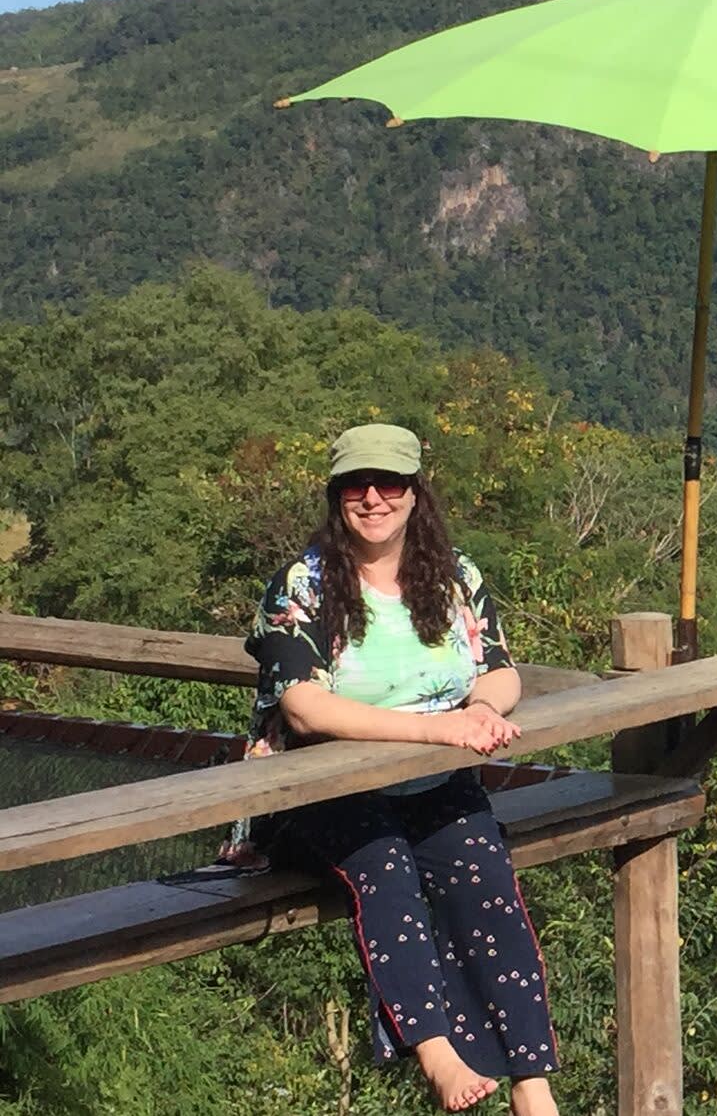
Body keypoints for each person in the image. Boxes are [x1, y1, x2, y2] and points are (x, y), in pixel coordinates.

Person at [245, 423, 560, 1115]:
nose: (373, 498)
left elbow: (501, 670)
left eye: (389, 483)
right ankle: (437, 1052)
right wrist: (433, 728)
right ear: (336, 497)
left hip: (431, 783)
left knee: (483, 865)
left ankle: (532, 1083)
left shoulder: (454, 576)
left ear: (416, 493)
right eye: (356, 485)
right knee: (385, 864)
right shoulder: (302, 585)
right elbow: (304, 708)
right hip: (319, 789)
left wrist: (480, 709)